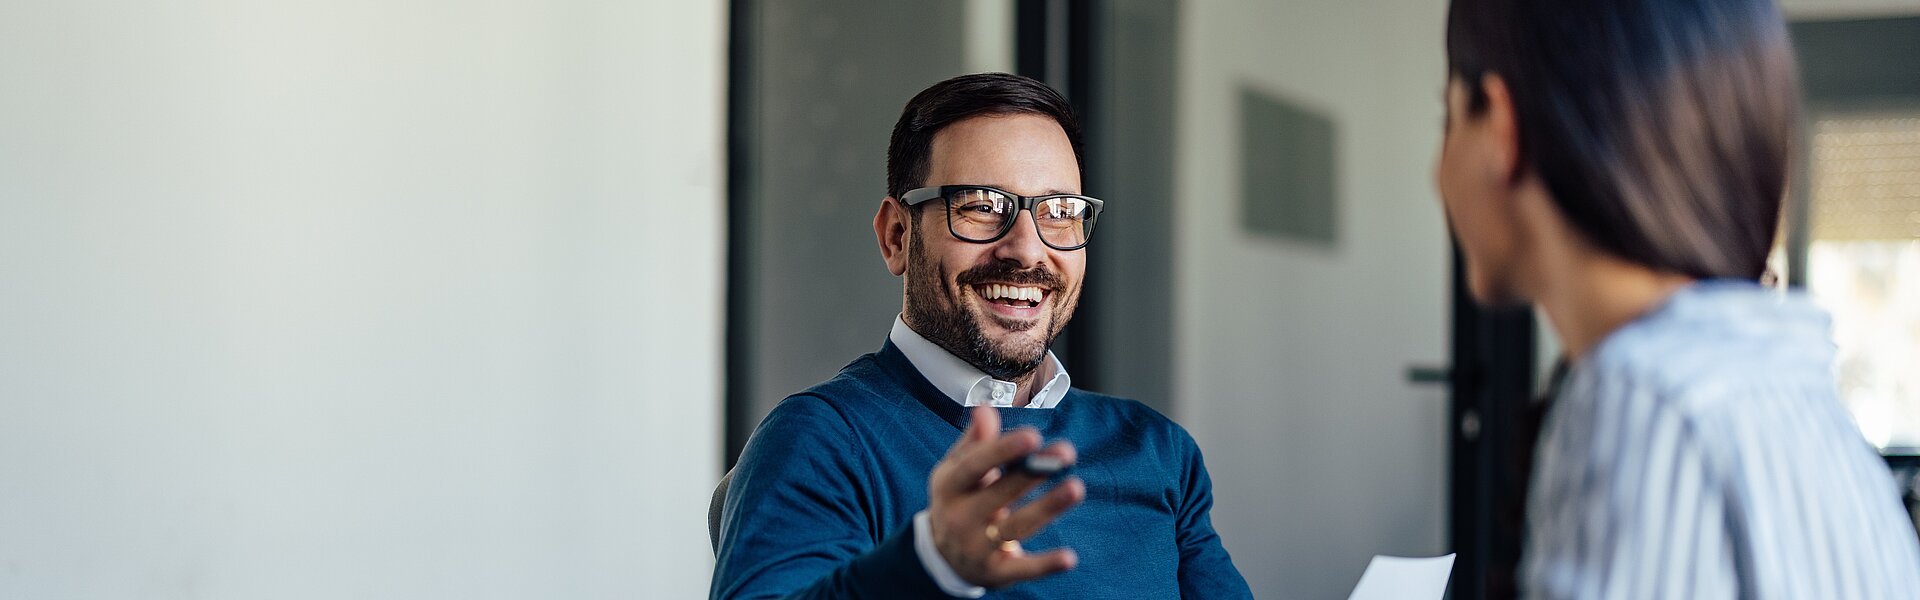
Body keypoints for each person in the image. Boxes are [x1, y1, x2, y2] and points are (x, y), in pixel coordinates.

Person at [1434, 0, 1920, 597]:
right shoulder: (1802, 401)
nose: (1438, 171)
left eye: (1449, 117)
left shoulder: (1643, 399)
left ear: (1500, 131)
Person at [710, 73, 1252, 599]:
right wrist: (929, 564)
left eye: (1060, 212)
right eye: (981, 206)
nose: (1027, 249)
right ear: (897, 236)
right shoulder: (819, 440)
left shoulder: (1158, 450)